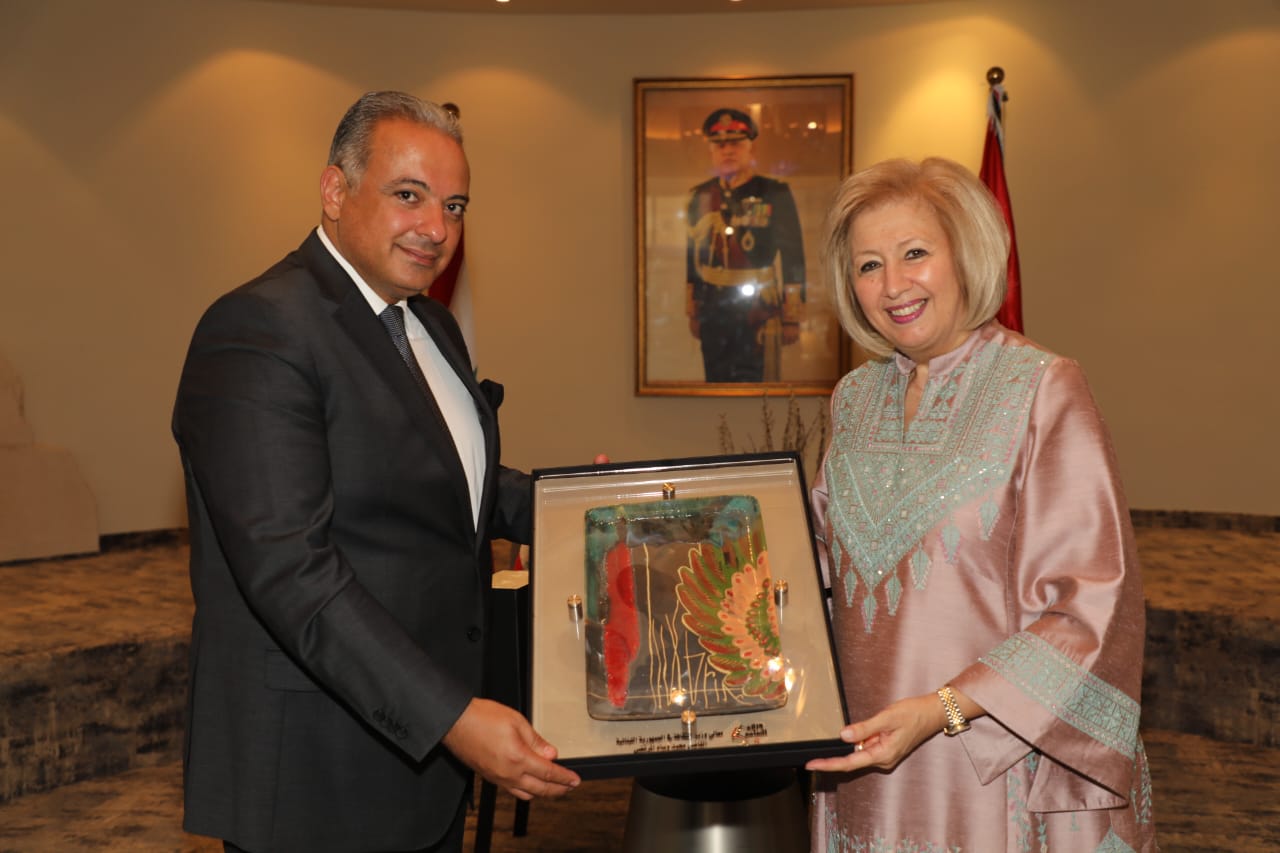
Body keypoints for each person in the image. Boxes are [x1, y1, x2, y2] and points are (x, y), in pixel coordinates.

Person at [172, 91, 580, 853]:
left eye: (454, 206)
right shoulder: (258, 330)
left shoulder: (428, 322)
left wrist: (592, 508)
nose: (438, 228)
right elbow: (293, 573)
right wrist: (453, 716)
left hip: (422, 766)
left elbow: (448, 485)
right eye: (409, 195)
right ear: (335, 191)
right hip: (318, 775)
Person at [804, 157, 1156, 852]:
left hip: (995, 762)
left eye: (914, 253)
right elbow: (818, 566)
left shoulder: (1044, 387)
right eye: (869, 265)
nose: (892, 285)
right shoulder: (853, 398)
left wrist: (942, 709)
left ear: (965, 254)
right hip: (864, 758)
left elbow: (1089, 605)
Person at [685, 107, 806, 383]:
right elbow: (693, 257)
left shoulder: (774, 193)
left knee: (757, 384)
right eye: (720, 145)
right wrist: (693, 310)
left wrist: (791, 316)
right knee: (715, 384)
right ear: (711, 151)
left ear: (751, 149)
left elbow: (793, 256)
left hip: (758, 307)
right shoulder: (700, 195)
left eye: (736, 143)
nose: (728, 151)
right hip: (713, 308)